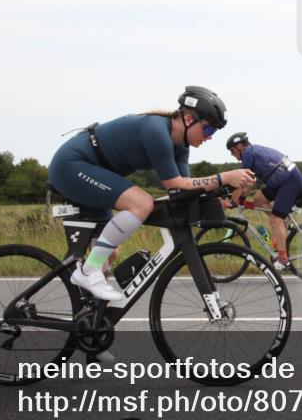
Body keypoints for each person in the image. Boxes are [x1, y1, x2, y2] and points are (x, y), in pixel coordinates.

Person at [48, 87, 256, 302]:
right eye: (208, 130)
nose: (209, 137)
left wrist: (219, 194)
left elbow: (182, 190)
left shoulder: (181, 147)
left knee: (109, 252)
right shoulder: (156, 130)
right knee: (141, 203)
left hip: (95, 172)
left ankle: (89, 315)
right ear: (187, 118)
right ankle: (87, 271)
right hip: (71, 166)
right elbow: (175, 183)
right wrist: (223, 177)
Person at [224, 132, 302, 270]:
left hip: (289, 181)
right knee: (258, 199)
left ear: (239, 146)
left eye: (232, 151)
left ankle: (283, 260)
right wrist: (240, 197)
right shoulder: (252, 152)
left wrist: (234, 200)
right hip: (280, 181)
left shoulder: (248, 153)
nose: (233, 155)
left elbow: (243, 182)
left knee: (276, 219)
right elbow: (249, 184)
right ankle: (285, 222)